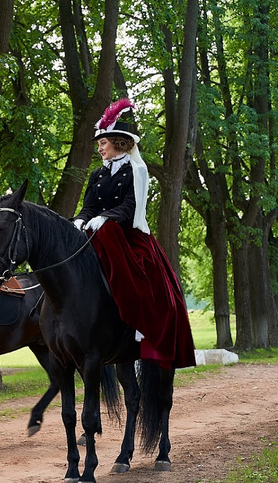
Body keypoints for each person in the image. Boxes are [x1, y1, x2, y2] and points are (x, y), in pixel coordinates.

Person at [73, 98, 196, 369]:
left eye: (102, 143)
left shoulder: (137, 170)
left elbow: (131, 206)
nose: (99, 148)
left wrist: (104, 219)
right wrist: (80, 221)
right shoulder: (97, 174)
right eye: (98, 144)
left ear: (118, 141)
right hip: (98, 230)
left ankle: (141, 321)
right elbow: (89, 206)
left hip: (127, 234)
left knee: (145, 275)